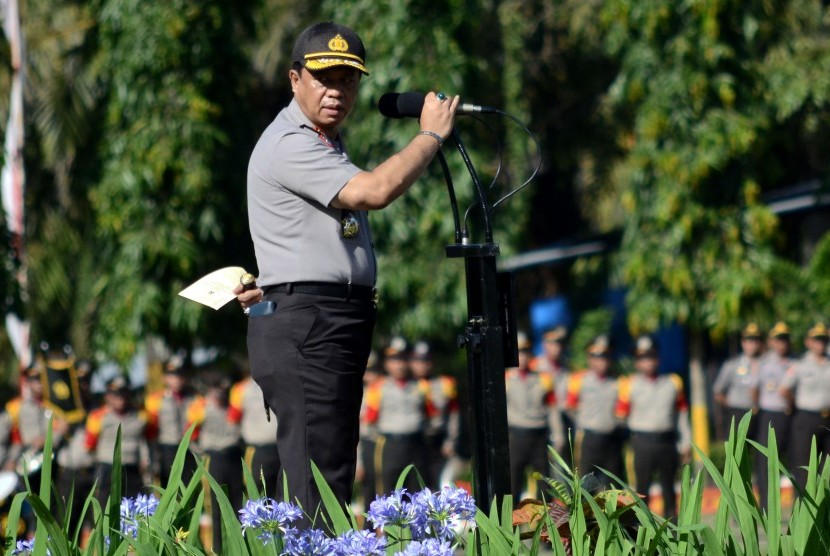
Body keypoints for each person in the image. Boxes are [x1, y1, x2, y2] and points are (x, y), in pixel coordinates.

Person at [235, 21, 459, 521]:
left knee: (329, 470)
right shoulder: (290, 142)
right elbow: (374, 192)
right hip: (309, 323)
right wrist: (430, 136)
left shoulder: (324, 142)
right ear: (295, 79)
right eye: (323, 77)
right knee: (318, 485)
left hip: (323, 320)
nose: (336, 90)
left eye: (348, 79)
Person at [615, 335, 691, 518]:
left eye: (651, 357)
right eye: (642, 358)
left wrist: (686, 441)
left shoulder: (673, 382)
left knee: (669, 489)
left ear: (657, 358)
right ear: (637, 362)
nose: (648, 362)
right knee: (641, 490)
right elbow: (621, 416)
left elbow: (682, 414)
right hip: (642, 442)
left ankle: (673, 531)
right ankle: (642, 531)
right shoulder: (629, 385)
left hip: (667, 441)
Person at [363, 339, 436, 494]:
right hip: (390, 445)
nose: (399, 365)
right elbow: (368, 420)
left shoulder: (421, 386)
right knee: (389, 491)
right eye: (394, 360)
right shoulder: (377, 388)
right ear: (386, 363)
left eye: (403, 359)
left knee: (418, 490)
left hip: (416, 444)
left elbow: (431, 415)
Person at [187, 374, 243, 553]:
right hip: (213, 458)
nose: (220, 393)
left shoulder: (233, 407)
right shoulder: (200, 408)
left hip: (233, 457)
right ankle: (219, 548)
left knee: (237, 505)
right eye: (216, 389)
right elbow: (191, 434)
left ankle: (239, 546)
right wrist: (201, 454)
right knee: (216, 506)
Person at [565, 335, 625, 489]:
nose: (602, 361)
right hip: (588, 439)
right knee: (584, 487)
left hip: (611, 439)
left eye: (606, 356)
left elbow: (624, 409)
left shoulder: (619, 381)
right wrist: (583, 422)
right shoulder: (578, 380)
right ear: (589, 358)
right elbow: (570, 407)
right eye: (597, 357)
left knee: (613, 487)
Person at [505, 332, 560, 502]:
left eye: (526, 352)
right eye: (519, 352)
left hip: (538, 436)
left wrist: (558, 434)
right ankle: (511, 525)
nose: (522, 357)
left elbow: (551, 408)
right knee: (513, 484)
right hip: (516, 436)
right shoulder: (506, 379)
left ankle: (544, 525)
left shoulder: (543, 379)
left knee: (544, 484)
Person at [780, 322, 830, 492]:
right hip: (806, 418)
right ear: (808, 342)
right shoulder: (800, 364)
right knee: (803, 466)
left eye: (824, 340)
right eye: (817, 340)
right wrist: (793, 404)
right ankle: (802, 509)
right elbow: (784, 389)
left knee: (827, 467)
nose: (820, 344)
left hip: (827, 418)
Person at [84, 376, 149, 506]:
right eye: (116, 395)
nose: (121, 399)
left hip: (132, 469)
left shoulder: (141, 416)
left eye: (124, 394)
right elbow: (89, 445)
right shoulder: (98, 417)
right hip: (108, 469)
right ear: (108, 396)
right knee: (105, 509)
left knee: (138, 508)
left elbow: (149, 439)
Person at [752, 321, 794, 508]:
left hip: (791, 416)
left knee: (795, 461)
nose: (782, 343)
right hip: (769, 415)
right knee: (766, 463)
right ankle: (766, 507)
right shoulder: (764, 364)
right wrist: (756, 407)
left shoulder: (795, 363)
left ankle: (798, 506)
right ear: (771, 342)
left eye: (785, 339)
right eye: (778, 339)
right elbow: (753, 389)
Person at [409, 340, 460, 490]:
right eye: (418, 360)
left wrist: (451, 440)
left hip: (437, 440)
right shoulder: (406, 385)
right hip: (414, 441)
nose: (422, 365)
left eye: (426, 360)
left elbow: (453, 414)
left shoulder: (444, 384)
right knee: (414, 485)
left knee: (437, 484)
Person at [144, 357, 198, 488]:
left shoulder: (195, 398)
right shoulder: (155, 399)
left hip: (189, 450)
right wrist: (152, 458)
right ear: (165, 378)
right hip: (167, 449)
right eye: (173, 376)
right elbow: (151, 432)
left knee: (190, 489)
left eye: (180, 375)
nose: (177, 380)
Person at [229, 372, 280, 497]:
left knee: (258, 492)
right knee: (276, 492)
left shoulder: (241, 388)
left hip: (263, 449)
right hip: (272, 447)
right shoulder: (280, 382)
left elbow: (233, 417)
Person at [713, 323, 764, 440]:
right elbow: (718, 391)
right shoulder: (732, 365)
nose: (753, 344)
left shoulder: (765, 364)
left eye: (756, 341)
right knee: (736, 451)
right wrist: (729, 403)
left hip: (759, 414)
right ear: (743, 343)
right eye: (749, 341)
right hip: (737, 411)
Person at [530, 326, 572, 465]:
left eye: (560, 343)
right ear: (544, 344)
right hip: (539, 425)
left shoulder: (565, 369)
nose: (557, 347)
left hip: (562, 423)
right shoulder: (534, 368)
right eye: (552, 343)